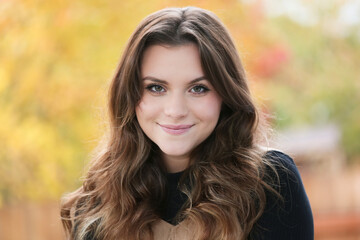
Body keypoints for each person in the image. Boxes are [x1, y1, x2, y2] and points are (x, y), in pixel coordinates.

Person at [60, 6, 314, 240]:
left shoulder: (269, 183)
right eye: (156, 87)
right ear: (129, 94)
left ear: (226, 94)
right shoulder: (96, 201)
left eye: (198, 88)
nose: (175, 110)